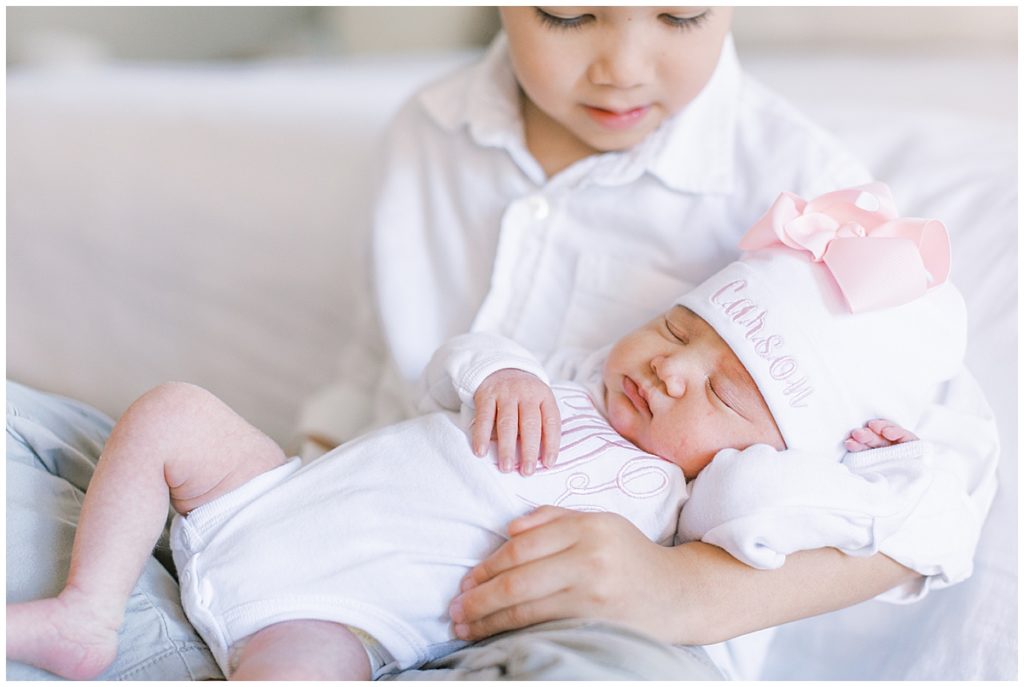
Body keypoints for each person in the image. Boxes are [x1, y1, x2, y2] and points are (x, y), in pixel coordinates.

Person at [7, 184, 971, 681]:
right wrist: (501, 369)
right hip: (270, 494)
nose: (671, 367)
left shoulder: (684, 509)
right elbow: (459, 357)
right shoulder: (566, 381)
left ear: (759, 451)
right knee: (174, 408)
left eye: (723, 391)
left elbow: (785, 514)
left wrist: (871, 465)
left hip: (337, 618)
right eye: (680, 328)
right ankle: (89, 610)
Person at [299, 7, 999, 678]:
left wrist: (677, 587)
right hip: (368, 567)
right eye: (568, 18)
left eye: (680, 17)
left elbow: (947, 492)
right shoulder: (427, 132)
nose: (624, 69)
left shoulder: (809, 195)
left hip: (616, 634)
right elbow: (372, 370)